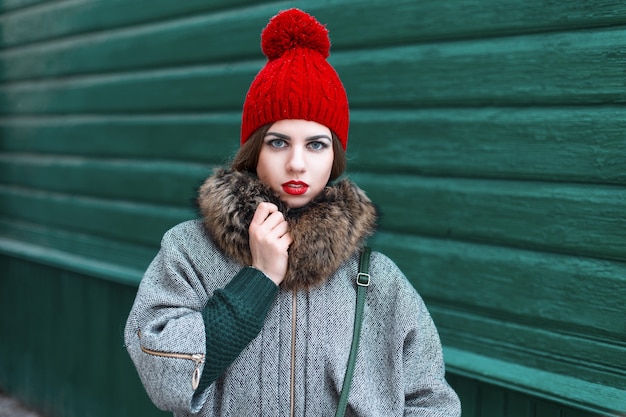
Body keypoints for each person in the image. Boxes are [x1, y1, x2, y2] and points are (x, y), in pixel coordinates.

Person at [125, 8, 461, 417]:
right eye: (279, 142)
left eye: (316, 144)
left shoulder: (376, 278)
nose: (297, 164)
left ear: (334, 156)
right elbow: (162, 373)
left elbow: (432, 401)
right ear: (254, 150)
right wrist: (259, 278)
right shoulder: (189, 251)